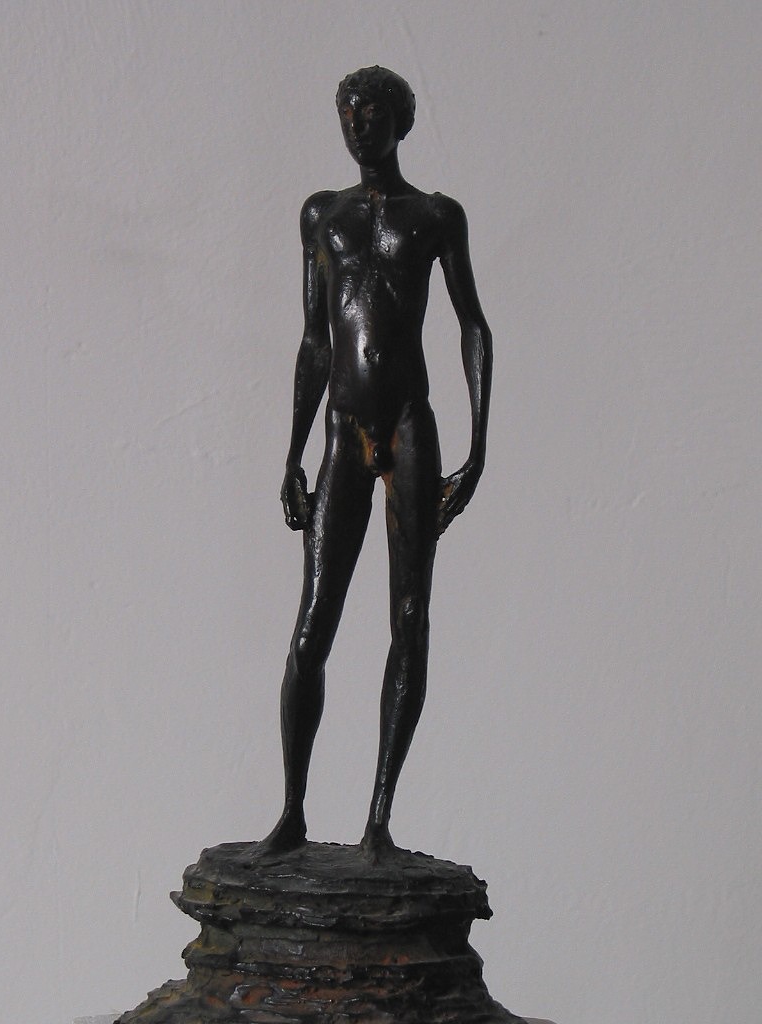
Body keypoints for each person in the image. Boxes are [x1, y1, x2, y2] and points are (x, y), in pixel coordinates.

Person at [258, 66, 492, 861]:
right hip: (341, 428)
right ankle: (292, 812)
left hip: (408, 428)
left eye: (372, 114)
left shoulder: (436, 216)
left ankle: (378, 821)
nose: (358, 127)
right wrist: (291, 454)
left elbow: (473, 327)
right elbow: (315, 342)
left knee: (409, 619)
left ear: (401, 121)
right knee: (311, 628)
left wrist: (478, 447)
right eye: (348, 115)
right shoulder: (321, 214)